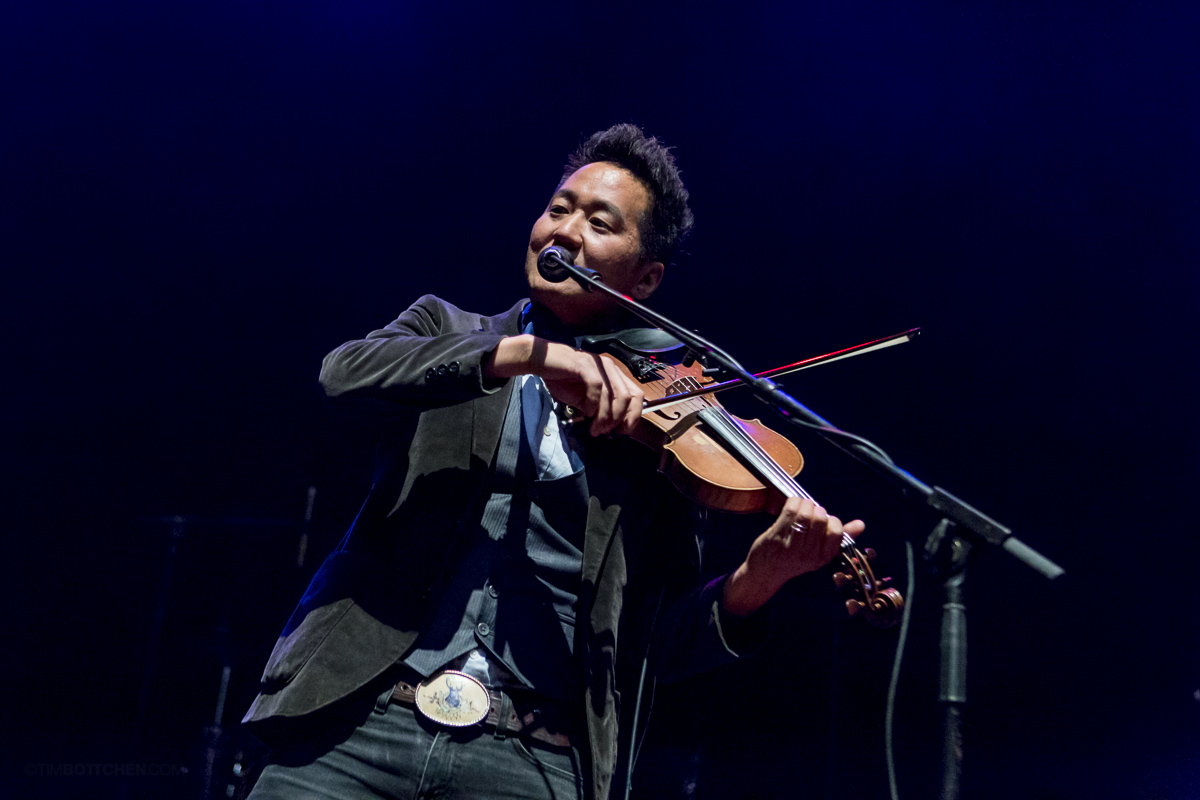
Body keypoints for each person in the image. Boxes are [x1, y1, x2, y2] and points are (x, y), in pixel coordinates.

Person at [243, 124, 864, 800]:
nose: (564, 231)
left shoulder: (667, 432)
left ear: (646, 277)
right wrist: (526, 356)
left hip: (530, 762)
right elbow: (344, 375)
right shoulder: (449, 331)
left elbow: (657, 645)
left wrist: (754, 579)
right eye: (559, 208)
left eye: (600, 223)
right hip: (357, 726)